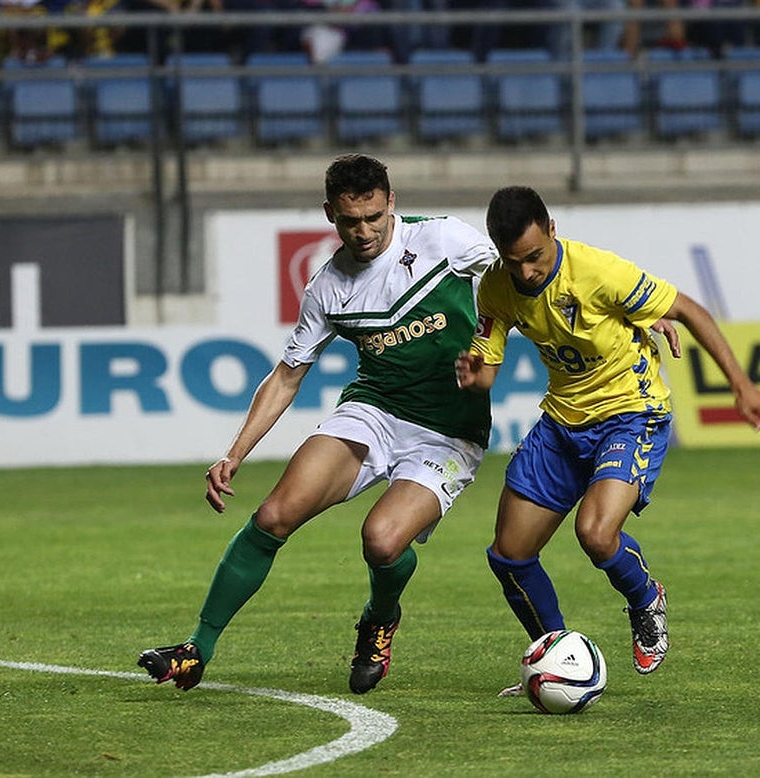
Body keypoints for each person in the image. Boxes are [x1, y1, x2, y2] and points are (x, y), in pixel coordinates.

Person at [138, 154, 498, 694]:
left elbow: (523, 280)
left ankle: (380, 615)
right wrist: (234, 454)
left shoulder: (445, 240)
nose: (364, 232)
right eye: (350, 221)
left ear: (390, 202)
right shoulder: (329, 286)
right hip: (373, 410)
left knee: (381, 542)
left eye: (374, 216)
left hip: (449, 430)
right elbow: (287, 376)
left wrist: (489, 348)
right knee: (274, 514)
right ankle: (197, 648)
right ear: (330, 213)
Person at [454, 186, 760, 689]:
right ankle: (561, 662)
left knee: (594, 532)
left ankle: (645, 597)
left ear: (552, 230)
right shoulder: (497, 287)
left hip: (631, 414)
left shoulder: (598, 272)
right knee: (510, 554)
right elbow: (486, 373)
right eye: (512, 261)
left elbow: (691, 312)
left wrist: (741, 389)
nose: (525, 272)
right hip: (563, 422)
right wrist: (472, 371)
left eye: (534, 257)